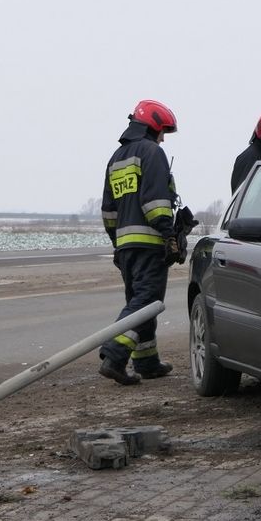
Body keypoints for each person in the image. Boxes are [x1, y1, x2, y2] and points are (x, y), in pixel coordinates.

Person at [98, 99, 180, 385]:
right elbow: (155, 201)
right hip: (149, 243)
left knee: (138, 300)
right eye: (163, 132)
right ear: (153, 127)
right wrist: (168, 233)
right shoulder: (152, 152)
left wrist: (116, 243)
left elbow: (108, 210)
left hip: (126, 246)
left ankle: (147, 361)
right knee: (147, 302)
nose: (163, 138)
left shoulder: (116, 157)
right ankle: (115, 355)